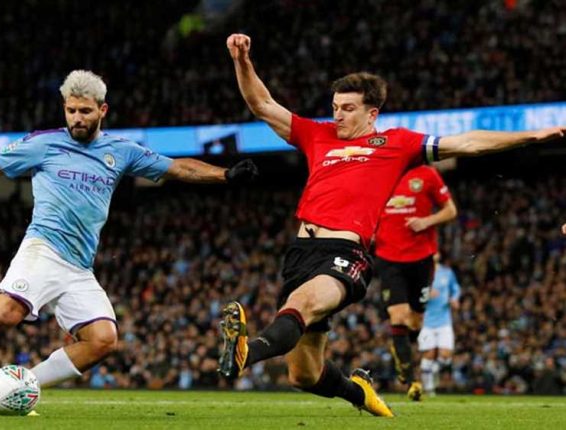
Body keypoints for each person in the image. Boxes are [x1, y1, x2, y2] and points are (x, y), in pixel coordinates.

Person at [217, 33, 565, 418]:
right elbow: (262, 104)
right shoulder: (317, 135)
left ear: (372, 113)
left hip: (345, 253)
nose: (338, 115)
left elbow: (467, 142)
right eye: (335, 107)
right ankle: (360, 392)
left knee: (302, 304)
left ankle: (246, 353)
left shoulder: (397, 144)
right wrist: (242, 60)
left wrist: (531, 136)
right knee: (304, 374)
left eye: (348, 108)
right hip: (301, 252)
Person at [0, 70, 259, 395]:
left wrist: (224, 175)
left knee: (102, 340)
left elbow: (176, 168)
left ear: (102, 110)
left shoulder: (121, 151)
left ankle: (23, 386)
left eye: (85, 111)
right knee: (2, 314)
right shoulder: (44, 144)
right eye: (71, 110)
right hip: (43, 248)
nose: (77, 118)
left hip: (78, 267)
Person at [374, 165, 457, 401]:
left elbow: (450, 210)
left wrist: (426, 221)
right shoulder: (378, 172)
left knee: (415, 320)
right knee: (398, 316)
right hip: (388, 258)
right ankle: (411, 380)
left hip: (421, 258)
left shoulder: (426, 174)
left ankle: (401, 345)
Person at [417, 253, 460, 396]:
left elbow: (456, 288)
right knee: (428, 355)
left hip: (444, 321)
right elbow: (414, 293)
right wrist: (426, 294)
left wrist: (454, 299)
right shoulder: (421, 274)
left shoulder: (447, 273)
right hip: (427, 321)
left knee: (446, 356)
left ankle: (434, 370)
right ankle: (429, 389)